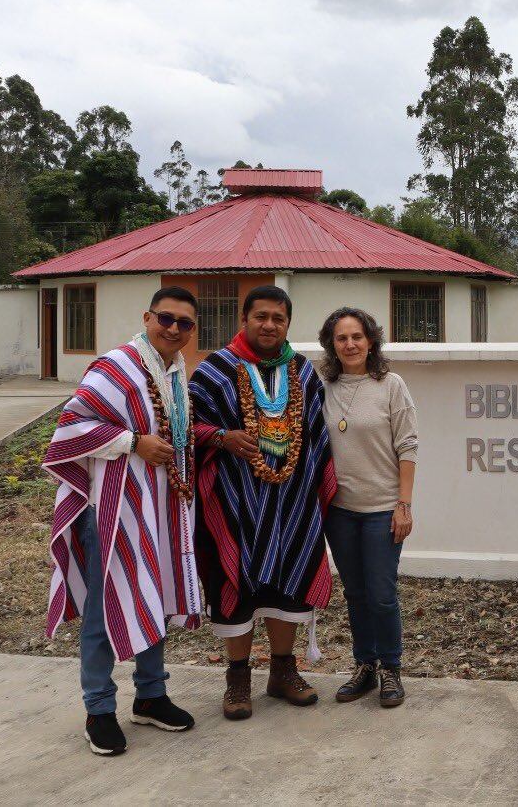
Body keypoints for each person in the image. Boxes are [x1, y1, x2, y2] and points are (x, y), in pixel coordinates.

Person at [43, 286, 205, 756]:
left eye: (184, 324)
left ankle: (151, 696)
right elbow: (70, 427)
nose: (174, 329)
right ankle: (98, 708)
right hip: (113, 510)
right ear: (147, 316)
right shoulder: (116, 367)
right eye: (166, 319)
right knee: (102, 605)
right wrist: (133, 442)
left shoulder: (175, 371)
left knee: (153, 597)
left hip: (159, 509)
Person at [189, 285, 337, 720]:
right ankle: (237, 678)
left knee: (289, 581)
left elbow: (317, 434)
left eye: (278, 318)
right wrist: (220, 437)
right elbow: (186, 425)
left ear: (287, 323)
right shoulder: (215, 370)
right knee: (237, 583)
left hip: (292, 501)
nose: (269, 325)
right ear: (244, 319)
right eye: (261, 317)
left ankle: (282, 672)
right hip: (234, 502)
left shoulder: (303, 372)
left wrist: (316, 487)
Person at [319, 307, 418, 708]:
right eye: (342, 338)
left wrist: (403, 505)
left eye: (357, 336)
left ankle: (391, 668)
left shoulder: (391, 385)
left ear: (371, 341)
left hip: (382, 509)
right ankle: (365, 666)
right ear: (333, 344)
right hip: (339, 511)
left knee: (381, 593)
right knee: (356, 594)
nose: (350, 344)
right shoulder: (322, 386)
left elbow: (408, 446)